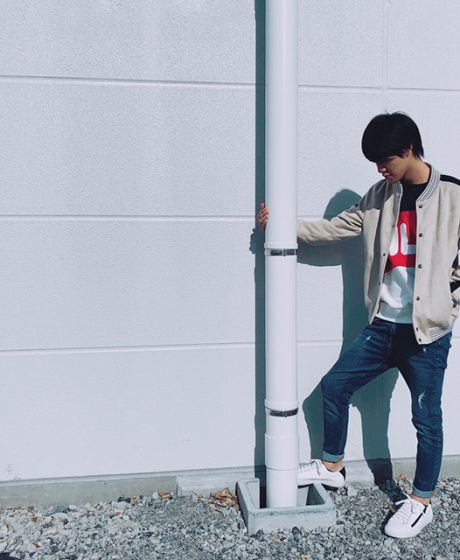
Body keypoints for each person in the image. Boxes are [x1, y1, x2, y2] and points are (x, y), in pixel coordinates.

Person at [257, 112, 460, 538]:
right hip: (383, 325)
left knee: (426, 418)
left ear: (408, 149)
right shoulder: (379, 196)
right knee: (335, 387)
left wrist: (448, 306)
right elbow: (335, 229)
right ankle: (332, 466)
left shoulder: (452, 195)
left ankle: (421, 501)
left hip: (426, 334)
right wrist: (280, 224)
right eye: (375, 163)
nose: (380, 169)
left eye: (385, 160)